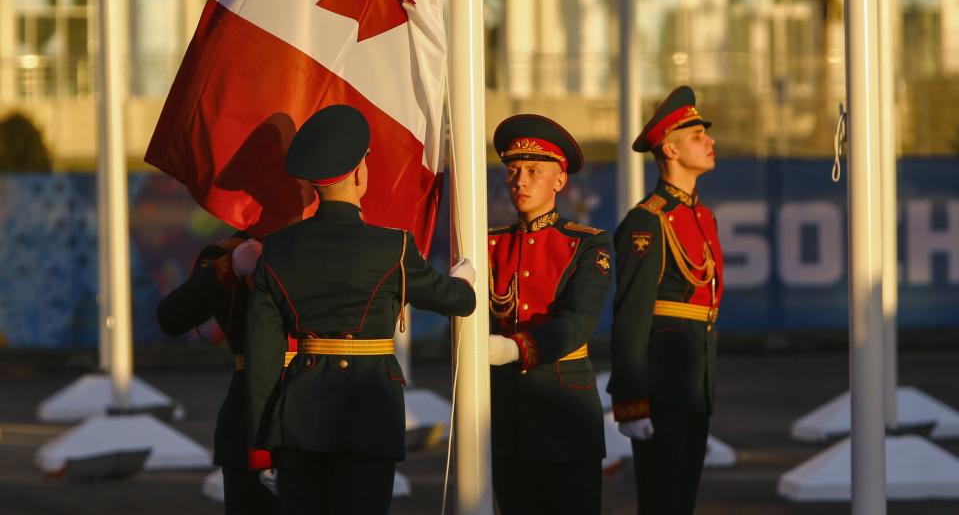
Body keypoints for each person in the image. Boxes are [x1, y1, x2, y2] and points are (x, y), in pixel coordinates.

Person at [245, 104, 477, 515]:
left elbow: (263, 358)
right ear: (358, 173)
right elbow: (458, 302)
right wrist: (465, 278)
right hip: (371, 414)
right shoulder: (393, 247)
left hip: (301, 417)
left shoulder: (276, 250)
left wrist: (263, 448)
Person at [486, 114, 613, 515]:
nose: (520, 180)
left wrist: (512, 350)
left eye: (534, 171)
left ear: (560, 181)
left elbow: (578, 323)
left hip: (564, 415)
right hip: (506, 415)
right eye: (513, 169)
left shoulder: (587, 245)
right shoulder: (487, 243)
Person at [607, 86, 725, 515]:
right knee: (661, 503)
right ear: (670, 149)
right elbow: (631, 318)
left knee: (682, 502)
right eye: (697, 136)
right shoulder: (647, 222)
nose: (709, 141)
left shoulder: (701, 216)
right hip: (662, 387)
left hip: (695, 384)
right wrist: (631, 402)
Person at [156, 231, 277, 515]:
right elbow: (172, 317)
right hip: (249, 418)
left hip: (323, 414)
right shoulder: (230, 252)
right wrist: (231, 267)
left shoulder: (334, 241)